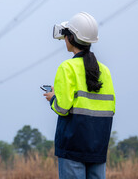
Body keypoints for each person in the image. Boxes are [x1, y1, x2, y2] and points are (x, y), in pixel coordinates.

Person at [43, 12, 115, 179]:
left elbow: (62, 107)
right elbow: (110, 108)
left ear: (70, 38)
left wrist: (53, 98)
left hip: (73, 145)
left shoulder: (67, 67)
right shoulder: (105, 70)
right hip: (98, 145)